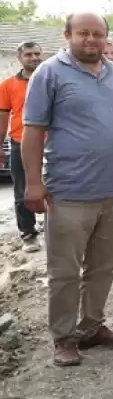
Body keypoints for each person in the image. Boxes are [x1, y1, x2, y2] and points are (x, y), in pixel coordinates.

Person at [22, 12, 113, 367]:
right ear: (67, 34)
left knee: (103, 268)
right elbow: (32, 131)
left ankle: (92, 327)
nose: (92, 40)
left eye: (98, 34)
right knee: (65, 272)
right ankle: (63, 337)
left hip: (112, 193)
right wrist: (33, 183)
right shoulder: (49, 73)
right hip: (68, 192)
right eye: (84, 33)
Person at [0, 41, 42, 252]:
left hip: (53, 145)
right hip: (19, 144)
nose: (34, 58)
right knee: (22, 190)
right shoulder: (8, 85)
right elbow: (3, 116)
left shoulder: (50, 80)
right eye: (28, 54)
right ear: (20, 58)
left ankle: (57, 229)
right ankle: (28, 233)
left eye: (37, 54)